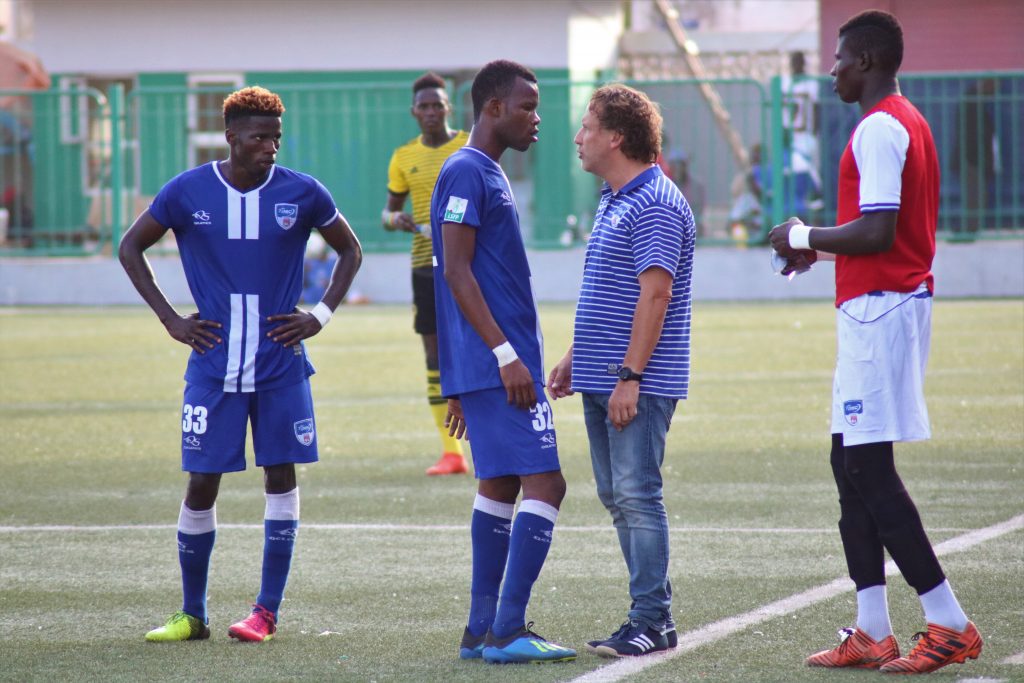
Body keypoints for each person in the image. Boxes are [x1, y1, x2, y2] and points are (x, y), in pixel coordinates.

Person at [769, 11, 983, 674]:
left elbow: (881, 230)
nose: (831, 68)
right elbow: (874, 231)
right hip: (877, 305)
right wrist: (825, 252)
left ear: (863, 60)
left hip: (881, 313)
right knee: (848, 464)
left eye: (837, 58)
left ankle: (949, 621)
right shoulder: (897, 121)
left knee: (867, 468)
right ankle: (872, 628)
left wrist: (805, 236)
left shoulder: (882, 126)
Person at [119, 86, 362, 644]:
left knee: (280, 475)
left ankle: (265, 612)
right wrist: (170, 319)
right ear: (231, 137)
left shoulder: (302, 193)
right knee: (202, 481)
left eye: (275, 138)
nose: (269, 148)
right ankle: (192, 613)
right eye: (258, 138)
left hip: (281, 363)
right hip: (213, 364)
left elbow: (350, 249)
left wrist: (320, 314)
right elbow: (131, 247)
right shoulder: (188, 191)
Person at [431, 59, 576, 665]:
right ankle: (509, 629)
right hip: (502, 365)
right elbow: (455, 270)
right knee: (547, 482)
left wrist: (463, 375)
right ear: (492, 107)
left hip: (488, 366)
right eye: (526, 105)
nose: (535, 117)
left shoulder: (482, 171)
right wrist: (503, 355)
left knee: (501, 482)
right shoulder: (467, 171)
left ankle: (479, 628)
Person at [549, 84, 695, 658]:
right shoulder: (617, 198)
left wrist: (630, 377)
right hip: (604, 374)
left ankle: (653, 620)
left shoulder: (655, 200)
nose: (578, 137)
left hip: (634, 381)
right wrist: (574, 357)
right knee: (619, 496)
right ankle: (649, 615)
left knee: (637, 495)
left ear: (615, 137)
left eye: (587, 126)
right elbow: (610, 296)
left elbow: (655, 296)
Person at [382, 72, 471, 475]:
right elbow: (386, 214)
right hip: (425, 266)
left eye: (438, 104)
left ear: (448, 108)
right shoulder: (403, 157)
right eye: (425, 105)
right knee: (435, 356)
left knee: (479, 347)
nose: (432, 111)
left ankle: (487, 439)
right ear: (414, 112)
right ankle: (452, 452)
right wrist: (394, 219)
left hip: (470, 264)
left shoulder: (467, 145)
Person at [781, 50, 823, 221]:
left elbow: (815, 110)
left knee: (811, 177)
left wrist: (814, 133)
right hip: (793, 136)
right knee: (794, 180)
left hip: (806, 136)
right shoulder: (785, 83)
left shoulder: (810, 84)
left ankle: (815, 211)